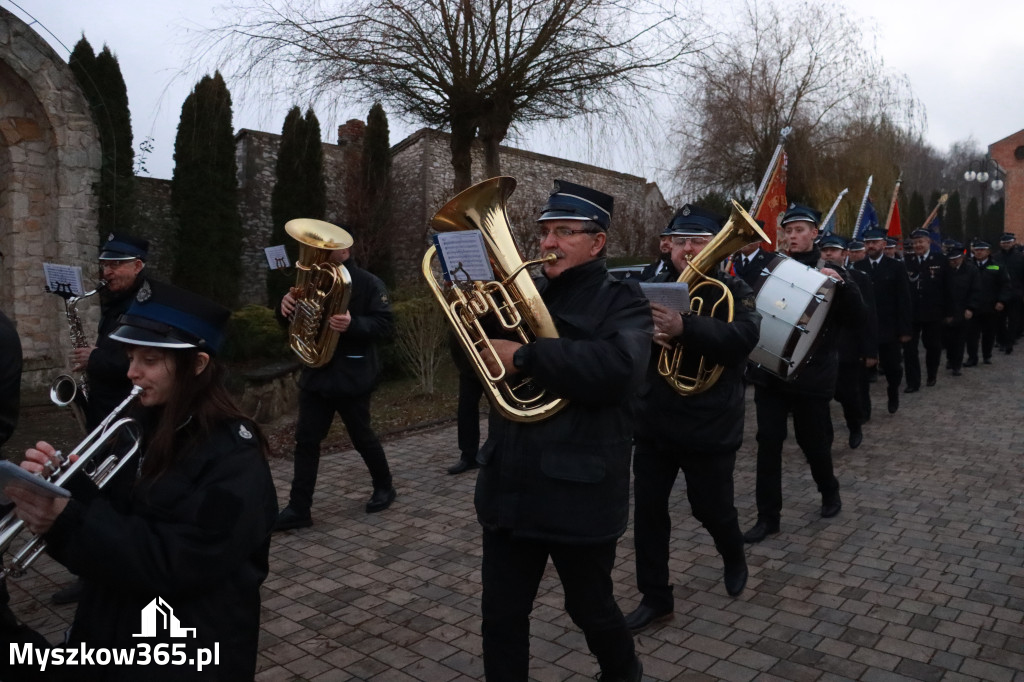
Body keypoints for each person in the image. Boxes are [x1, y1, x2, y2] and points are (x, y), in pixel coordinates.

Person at [3, 281, 278, 681]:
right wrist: (62, 489)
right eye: (130, 356)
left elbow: (177, 562)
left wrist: (67, 520)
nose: (131, 372)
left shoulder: (234, 455)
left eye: (149, 360)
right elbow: (123, 518)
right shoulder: (142, 425)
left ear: (197, 365)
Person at [473, 179, 650, 681]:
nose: (548, 242)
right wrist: (470, 316)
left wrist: (527, 355)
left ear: (598, 243)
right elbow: (479, 366)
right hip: (510, 484)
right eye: (545, 231)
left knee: (590, 608)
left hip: (579, 490)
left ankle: (623, 671)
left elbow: (620, 370)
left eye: (564, 232)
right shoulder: (521, 293)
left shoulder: (624, 300)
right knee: (501, 617)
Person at [625, 205, 760, 633]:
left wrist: (687, 328)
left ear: (714, 247)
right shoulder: (650, 286)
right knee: (648, 513)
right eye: (681, 241)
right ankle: (655, 598)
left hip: (709, 424)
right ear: (669, 246)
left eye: (698, 241)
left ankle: (733, 552)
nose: (688, 249)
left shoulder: (733, 289)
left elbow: (744, 340)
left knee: (711, 508)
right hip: (653, 422)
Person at [743, 204, 865, 544]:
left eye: (800, 230)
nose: (793, 236)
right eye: (789, 231)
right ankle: (768, 518)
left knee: (814, 443)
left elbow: (858, 320)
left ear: (814, 234)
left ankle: (829, 491)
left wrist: (846, 287)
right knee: (768, 445)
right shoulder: (771, 266)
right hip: (770, 374)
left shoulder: (833, 271)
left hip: (811, 377)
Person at [275, 229, 397, 529]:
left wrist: (354, 323)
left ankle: (384, 487)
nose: (324, 252)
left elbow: (386, 326)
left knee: (361, 436)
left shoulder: (368, 283)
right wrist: (284, 308)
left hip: (351, 373)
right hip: (317, 373)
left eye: (331, 247)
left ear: (346, 250)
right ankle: (299, 508)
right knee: (306, 441)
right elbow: (294, 321)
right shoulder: (311, 281)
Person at [75, 233, 151, 430]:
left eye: (115, 265)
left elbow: (140, 363)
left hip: (125, 411)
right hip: (106, 407)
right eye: (105, 265)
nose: (107, 272)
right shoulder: (118, 300)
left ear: (137, 266)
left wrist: (94, 358)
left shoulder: (144, 306)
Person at [819, 234, 876, 448]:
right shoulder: (812, 276)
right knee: (821, 400)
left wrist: (870, 351)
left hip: (848, 349)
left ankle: (855, 425)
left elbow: (868, 318)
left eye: (833, 250)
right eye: (825, 250)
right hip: (821, 349)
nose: (828, 253)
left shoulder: (859, 278)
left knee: (849, 394)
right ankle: (825, 438)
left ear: (844, 254)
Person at [854, 229, 912, 414]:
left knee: (893, 368)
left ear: (883, 244)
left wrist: (905, 330)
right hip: (865, 327)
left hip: (889, 327)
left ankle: (893, 391)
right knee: (862, 372)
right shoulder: (858, 267)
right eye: (868, 242)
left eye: (875, 242)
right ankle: (864, 408)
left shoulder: (896, 266)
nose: (870, 246)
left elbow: (904, 299)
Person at [902, 229, 954, 391]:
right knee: (909, 349)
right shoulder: (906, 261)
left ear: (928, 242)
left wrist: (949, 312)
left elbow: (949, 288)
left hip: (933, 312)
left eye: (921, 242)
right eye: (915, 242)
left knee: (933, 346)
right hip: (911, 313)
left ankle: (932, 374)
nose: (918, 245)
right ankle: (913, 382)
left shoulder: (940, 260)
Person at [965, 240, 1009, 367]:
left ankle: (987, 356)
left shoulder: (996, 266)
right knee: (972, 335)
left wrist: (1001, 300)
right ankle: (972, 358)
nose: (979, 252)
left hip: (990, 307)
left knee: (989, 334)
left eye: (982, 250)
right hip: (972, 307)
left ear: (988, 252)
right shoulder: (968, 266)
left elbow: (1005, 285)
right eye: (977, 250)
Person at [445, 333, 484, 475]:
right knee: (466, 410)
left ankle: (499, 453)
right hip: (468, 362)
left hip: (492, 354)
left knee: (500, 412)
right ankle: (469, 456)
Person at [943, 244, 980, 376]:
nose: (953, 262)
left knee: (959, 339)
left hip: (964, 309)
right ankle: (950, 358)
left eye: (956, 259)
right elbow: (942, 291)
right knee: (948, 338)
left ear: (962, 258)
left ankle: (956, 365)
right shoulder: (945, 270)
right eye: (951, 259)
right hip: (948, 309)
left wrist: (971, 308)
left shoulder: (971, 270)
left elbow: (975, 290)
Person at [992, 233, 1024, 353]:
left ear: (1014, 242)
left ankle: (1009, 342)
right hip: (999, 294)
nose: (1006, 245)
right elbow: (991, 271)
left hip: (1016, 293)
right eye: (1004, 243)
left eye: (1009, 242)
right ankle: (1002, 340)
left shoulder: (1020, 257)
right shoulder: (995, 257)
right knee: (999, 320)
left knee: (1013, 320)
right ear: (1000, 244)